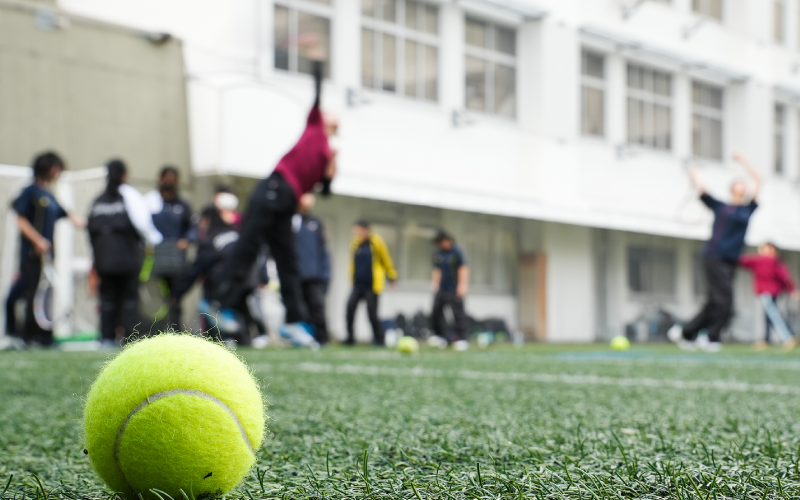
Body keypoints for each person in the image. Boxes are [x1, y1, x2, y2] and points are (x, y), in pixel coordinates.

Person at [211, 37, 338, 339]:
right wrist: (317, 59)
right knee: (249, 244)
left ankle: (294, 320)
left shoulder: (327, 156)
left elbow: (323, 192)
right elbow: (318, 91)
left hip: (287, 201)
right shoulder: (314, 126)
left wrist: (331, 174)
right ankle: (219, 302)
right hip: (275, 187)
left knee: (288, 261)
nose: (330, 114)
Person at [668, 153, 761, 352]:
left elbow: (759, 180)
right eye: (737, 183)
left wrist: (744, 161)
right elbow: (702, 189)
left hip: (731, 261)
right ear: (732, 188)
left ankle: (686, 333)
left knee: (715, 301)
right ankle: (711, 336)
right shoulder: (721, 206)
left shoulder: (748, 209)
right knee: (724, 300)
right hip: (714, 256)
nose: (741, 185)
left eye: (743, 184)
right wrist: (694, 172)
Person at [172, 186, 265, 344]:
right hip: (239, 286)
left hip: (224, 290)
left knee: (224, 322)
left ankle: (252, 336)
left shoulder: (213, 239)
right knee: (239, 323)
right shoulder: (234, 234)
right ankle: (253, 337)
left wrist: (177, 294)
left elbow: (195, 268)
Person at [12, 152, 84, 346]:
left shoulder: (49, 194)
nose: (58, 172)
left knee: (45, 297)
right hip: (31, 255)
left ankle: (43, 337)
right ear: (47, 167)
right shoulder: (30, 191)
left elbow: (67, 214)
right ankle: (24, 337)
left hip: (48, 257)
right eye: (57, 168)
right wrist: (38, 241)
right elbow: (21, 220)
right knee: (29, 294)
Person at [88, 160, 163, 345]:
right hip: (128, 260)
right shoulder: (130, 196)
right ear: (124, 174)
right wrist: (154, 241)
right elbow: (144, 225)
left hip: (104, 261)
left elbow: (90, 230)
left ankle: (106, 338)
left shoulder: (98, 201)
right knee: (129, 302)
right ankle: (129, 340)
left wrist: (97, 259)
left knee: (107, 301)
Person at [144, 166, 194, 327]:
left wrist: (186, 240)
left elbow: (193, 228)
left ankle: (176, 328)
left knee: (175, 297)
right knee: (153, 297)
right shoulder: (150, 203)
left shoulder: (183, 205)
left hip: (175, 261)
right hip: (153, 259)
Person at [345, 220, 398, 346]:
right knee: (349, 310)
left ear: (365, 230)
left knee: (372, 314)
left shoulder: (376, 242)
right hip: (357, 285)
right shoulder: (355, 244)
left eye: (357, 230)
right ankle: (350, 338)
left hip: (372, 286)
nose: (355, 233)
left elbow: (386, 258)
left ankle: (379, 340)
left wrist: (392, 277)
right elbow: (353, 262)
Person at [738, 242, 799, 350]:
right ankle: (765, 339)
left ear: (772, 250)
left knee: (773, 314)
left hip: (766, 292)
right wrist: (791, 289)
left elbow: (742, 261)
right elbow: (785, 277)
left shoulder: (764, 260)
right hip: (773, 292)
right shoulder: (777, 262)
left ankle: (787, 337)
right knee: (768, 315)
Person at [292, 193, 331, 344]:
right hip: (296, 275)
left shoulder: (316, 223)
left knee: (317, 309)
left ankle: (322, 339)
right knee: (299, 310)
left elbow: (323, 251)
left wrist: (325, 275)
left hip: (314, 276)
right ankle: (302, 339)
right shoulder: (291, 221)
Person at [431, 230, 470, 343]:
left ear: (446, 240)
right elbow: (436, 270)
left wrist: (462, 285)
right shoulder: (437, 253)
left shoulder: (456, 252)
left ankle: (462, 338)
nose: (438, 245)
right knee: (436, 312)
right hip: (442, 289)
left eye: (440, 242)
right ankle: (440, 336)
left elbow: (463, 268)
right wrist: (435, 284)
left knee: (458, 315)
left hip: (454, 289)